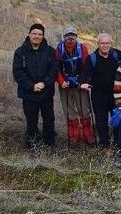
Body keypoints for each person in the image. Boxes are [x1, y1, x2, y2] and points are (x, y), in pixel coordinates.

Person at [12, 22, 58, 151]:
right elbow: (18, 71)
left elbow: (54, 70)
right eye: (34, 34)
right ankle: (33, 146)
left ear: (43, 36)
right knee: (31, 121)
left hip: (46, 93)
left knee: (49, 120)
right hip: (29, 93)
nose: (37, 36)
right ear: (29, 34)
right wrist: (31, 86)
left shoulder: (50, 52)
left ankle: (50, 145)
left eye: (40, 34)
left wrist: (45, 83)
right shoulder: (20, 52)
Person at [82, 33, 121, 150]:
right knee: (101, 121)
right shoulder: (92, 58)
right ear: (98, 44)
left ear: (111, 44)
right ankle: (104, 144)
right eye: (102, 43)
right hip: (98, 96)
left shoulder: (116, 54)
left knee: (117, 119)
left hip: (116, 95)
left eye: (107, 43)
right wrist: (83, 83)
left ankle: (117, 142)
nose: (105, 45)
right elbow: (84, 74)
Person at [55, 27, 94, 145]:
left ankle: (88, 135)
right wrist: (61, 81)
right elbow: (56, 68)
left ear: (76, 37)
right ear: (64, 37)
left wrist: (83, 82)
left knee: (84, 110)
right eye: (68, 35)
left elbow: (87, 67)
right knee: (69, 111)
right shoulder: (59, 50)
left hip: (80, 84)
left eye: (73, 35)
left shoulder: (82, 48)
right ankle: (73, 135)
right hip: (65, 85)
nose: (70, 38)